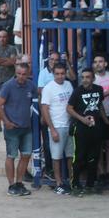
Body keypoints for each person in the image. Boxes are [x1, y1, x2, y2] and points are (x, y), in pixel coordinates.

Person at [67, 68, 108, 195]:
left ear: (93, 78)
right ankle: (75, 185)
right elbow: (69, 108)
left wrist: (105, 120)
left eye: (88, 77)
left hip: (96, 128)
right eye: (83, 77)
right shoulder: (77, 91)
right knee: (78, 157)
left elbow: (99, 105)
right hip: (81, 129)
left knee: (94, 157)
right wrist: (82, 119)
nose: (85, 80)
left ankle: (91, 184)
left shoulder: (98, 89)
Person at [0, 64, 35, 196]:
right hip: (12, 128)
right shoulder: (8, 86)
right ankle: (11, 185)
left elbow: (37, 100)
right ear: (15, 73)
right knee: (11, 156)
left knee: (26, 155)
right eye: (19, 73)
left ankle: (19, 183)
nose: (21, 76)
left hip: (26, 127)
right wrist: (6, 122)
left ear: (28, 73)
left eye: (24, 74)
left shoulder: (30, 85)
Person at [41, 63, 75, 195]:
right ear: (53, 74)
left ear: (65, 73)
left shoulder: (68, 85)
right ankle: (59, 183)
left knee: (70, 156)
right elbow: (45, 109)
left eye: (62, 73)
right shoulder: (48, 88)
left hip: (68, 125)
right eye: (57, 74)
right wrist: (52, 129)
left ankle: (71, 181)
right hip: (57, 126)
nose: (60, 76)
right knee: (56, 157)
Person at [0, 30, 19, 132]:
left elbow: (12, 62)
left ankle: (10, 122)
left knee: (10, 103)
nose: (2, 39)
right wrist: (6, 60)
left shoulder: (12, 48)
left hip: (9, 81)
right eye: (0, 37)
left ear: (7, 38)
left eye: (4, 37)